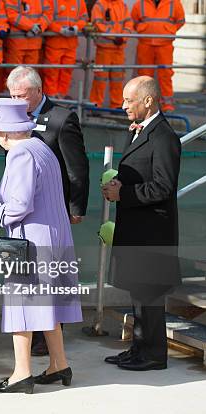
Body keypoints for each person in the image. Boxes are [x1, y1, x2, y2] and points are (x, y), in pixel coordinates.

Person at [0, 98, 82, 394]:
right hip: (54, 236)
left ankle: (21, 373)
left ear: (3, 133)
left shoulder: (20, 153)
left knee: (23, 306)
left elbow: (20, 204)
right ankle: (59, 364)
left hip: (31, 241)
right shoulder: (41, 147)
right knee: (47, 305)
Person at [6, 66, 89, 356]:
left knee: (52, 275)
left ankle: (49, 338)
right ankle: (33, 331)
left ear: (39, 91)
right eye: (12, 95)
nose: (17, 100)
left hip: (53, 212)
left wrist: (75, 208)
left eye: (22, 95)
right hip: (27, 211)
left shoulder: (62, 119)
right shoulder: (14, 115)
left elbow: (76, 168)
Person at [102, 76, 181, 371]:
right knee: (138, 294)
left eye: (128, 100)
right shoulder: (138, 131)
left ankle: (154, 354)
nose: (123, 106)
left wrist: (124, 192)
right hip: (136, 229)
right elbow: (141, 174)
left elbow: (163, 186)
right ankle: (138, 348)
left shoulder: (164, 137)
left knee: (150, 298)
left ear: (148, 101)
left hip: (152, 234)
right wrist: (117, 186)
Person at [131, 0, 185, 112]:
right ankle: (144, 104)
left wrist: (168, 30)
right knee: (144, 75)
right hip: (145, 43)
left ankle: (167, 104)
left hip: (165, 44)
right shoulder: (140, 3)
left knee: (165, 74)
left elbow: (180, 21)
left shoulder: (174, 3)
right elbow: (133, 21)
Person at [88, 0, 133, 108]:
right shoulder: (99, 5)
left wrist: (123, 37)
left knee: (118, 79)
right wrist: (115, 36)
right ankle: (95, 105)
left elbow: (129, 23)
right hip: (103, 50)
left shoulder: (122, 5)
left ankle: (116, 105)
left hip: (118, 50)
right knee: (99, 78)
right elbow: (98, 23)